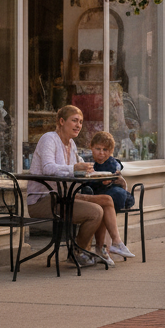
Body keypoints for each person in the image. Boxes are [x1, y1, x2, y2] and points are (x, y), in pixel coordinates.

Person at [25, 105, 119, 269]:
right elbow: (48, 168)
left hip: (65, 196)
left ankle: (106, 246)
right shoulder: (49, 139)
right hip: (44, 199)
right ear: (61, 121)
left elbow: (75, 171)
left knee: (105, 200)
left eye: (81, 122)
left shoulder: (72, 144)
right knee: (96, 211)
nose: (78, 125)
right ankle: (78, 252)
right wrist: (74, 168)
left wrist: (88, 171)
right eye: (74, 121)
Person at [82, 131, 136, 260]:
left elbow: (115, 171)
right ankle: (105, 248)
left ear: (111, 151)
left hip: (113, 195)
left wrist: (110, 179)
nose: (101, 153)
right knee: (102, 203)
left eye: (105, 150)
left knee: (111, 198)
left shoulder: (112, 163)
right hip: (95, 195)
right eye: (98, 149)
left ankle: (102, 248)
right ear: (91, 147)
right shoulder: (87, 163)